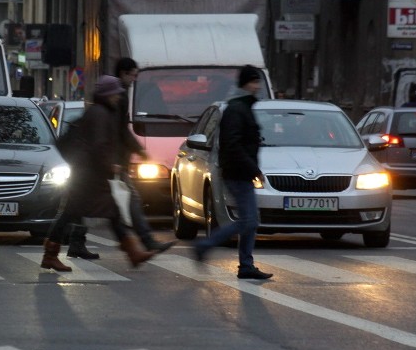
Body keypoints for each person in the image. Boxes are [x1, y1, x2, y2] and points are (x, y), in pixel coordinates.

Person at [42, 75, 156, 272]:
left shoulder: (100, 111)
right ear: (107, 95)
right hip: (89, 177)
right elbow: (99, 145)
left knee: (106, 212)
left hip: (88, 175)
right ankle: (50, 255)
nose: (118, 98)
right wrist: (111, 165)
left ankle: (133, 253)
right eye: (115, 94)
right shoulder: (100, 113)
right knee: (77, 212)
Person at [193, 65, 273, 280]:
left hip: (240, 171)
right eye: (255, 82)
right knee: (248, 220)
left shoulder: (242, 107)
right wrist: (253, 169)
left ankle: (245, 265)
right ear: (246, 84)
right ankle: (206, 245)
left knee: (251, 220)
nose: (258, 86)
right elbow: (233, 145)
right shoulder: (237, 109)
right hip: (237, 172)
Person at [93, 57, 176, 256]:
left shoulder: (114, 96)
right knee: (130, 200)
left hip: (110, 160)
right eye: (133, 75)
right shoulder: (118, 96)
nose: (134, 79)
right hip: (113, 161)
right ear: (124, 74)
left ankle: (76, 242)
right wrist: (137, 151)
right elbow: (119, 130)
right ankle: (146, 241)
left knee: (97, 204)